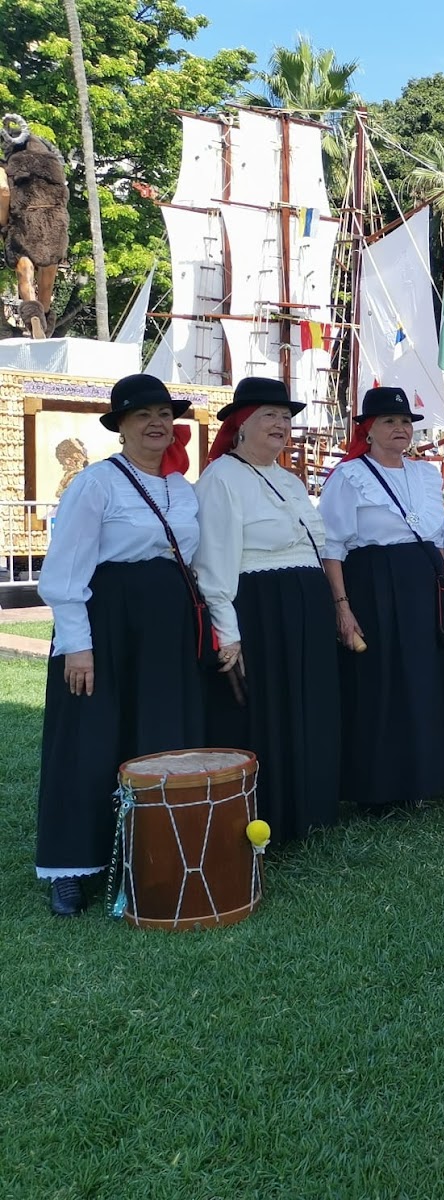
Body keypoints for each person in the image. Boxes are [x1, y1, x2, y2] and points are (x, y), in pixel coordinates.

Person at [35, 374, 205, 915]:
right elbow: (65, 572)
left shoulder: (183, 490)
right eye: (142, 415)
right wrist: (78, 647)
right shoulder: (96, 484)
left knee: (158, 736)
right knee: (89, 738)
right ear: (122, 427)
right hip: (105, 626)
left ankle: (152, 855)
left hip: (167, 631)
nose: (157, 423)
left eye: (164, 414)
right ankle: (71, 867)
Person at [194, 377, 340, 841]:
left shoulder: (288, 480)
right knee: (268, 711)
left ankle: (309, 808)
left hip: (305, 607)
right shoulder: (221, 478)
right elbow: (214, 562)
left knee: (307, 705)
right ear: (241, 424)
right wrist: (228, 632)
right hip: (261, 610)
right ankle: (269, 811)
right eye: (269, 416)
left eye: (286, 417)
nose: (281, 424)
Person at [320, 386, 444, 813]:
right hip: (374, 584)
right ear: (368, 429)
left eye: (405, 422)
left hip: (424, 583)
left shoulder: (426, 475)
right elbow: (332, 547)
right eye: (389, 421)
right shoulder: (348, 477)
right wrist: (342, 607)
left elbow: (435, 539)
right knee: (380, 683)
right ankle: (379, 787)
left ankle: (426, 778)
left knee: (425, 679)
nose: (400, 428)